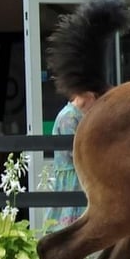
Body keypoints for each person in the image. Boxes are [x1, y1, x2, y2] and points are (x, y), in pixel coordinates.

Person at [43, 91, 97, 232]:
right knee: (67, 216)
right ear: (86, 96)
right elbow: (73, 150)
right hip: (71, 174)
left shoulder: (79, 115)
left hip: (77, 173)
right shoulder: (68, 116)